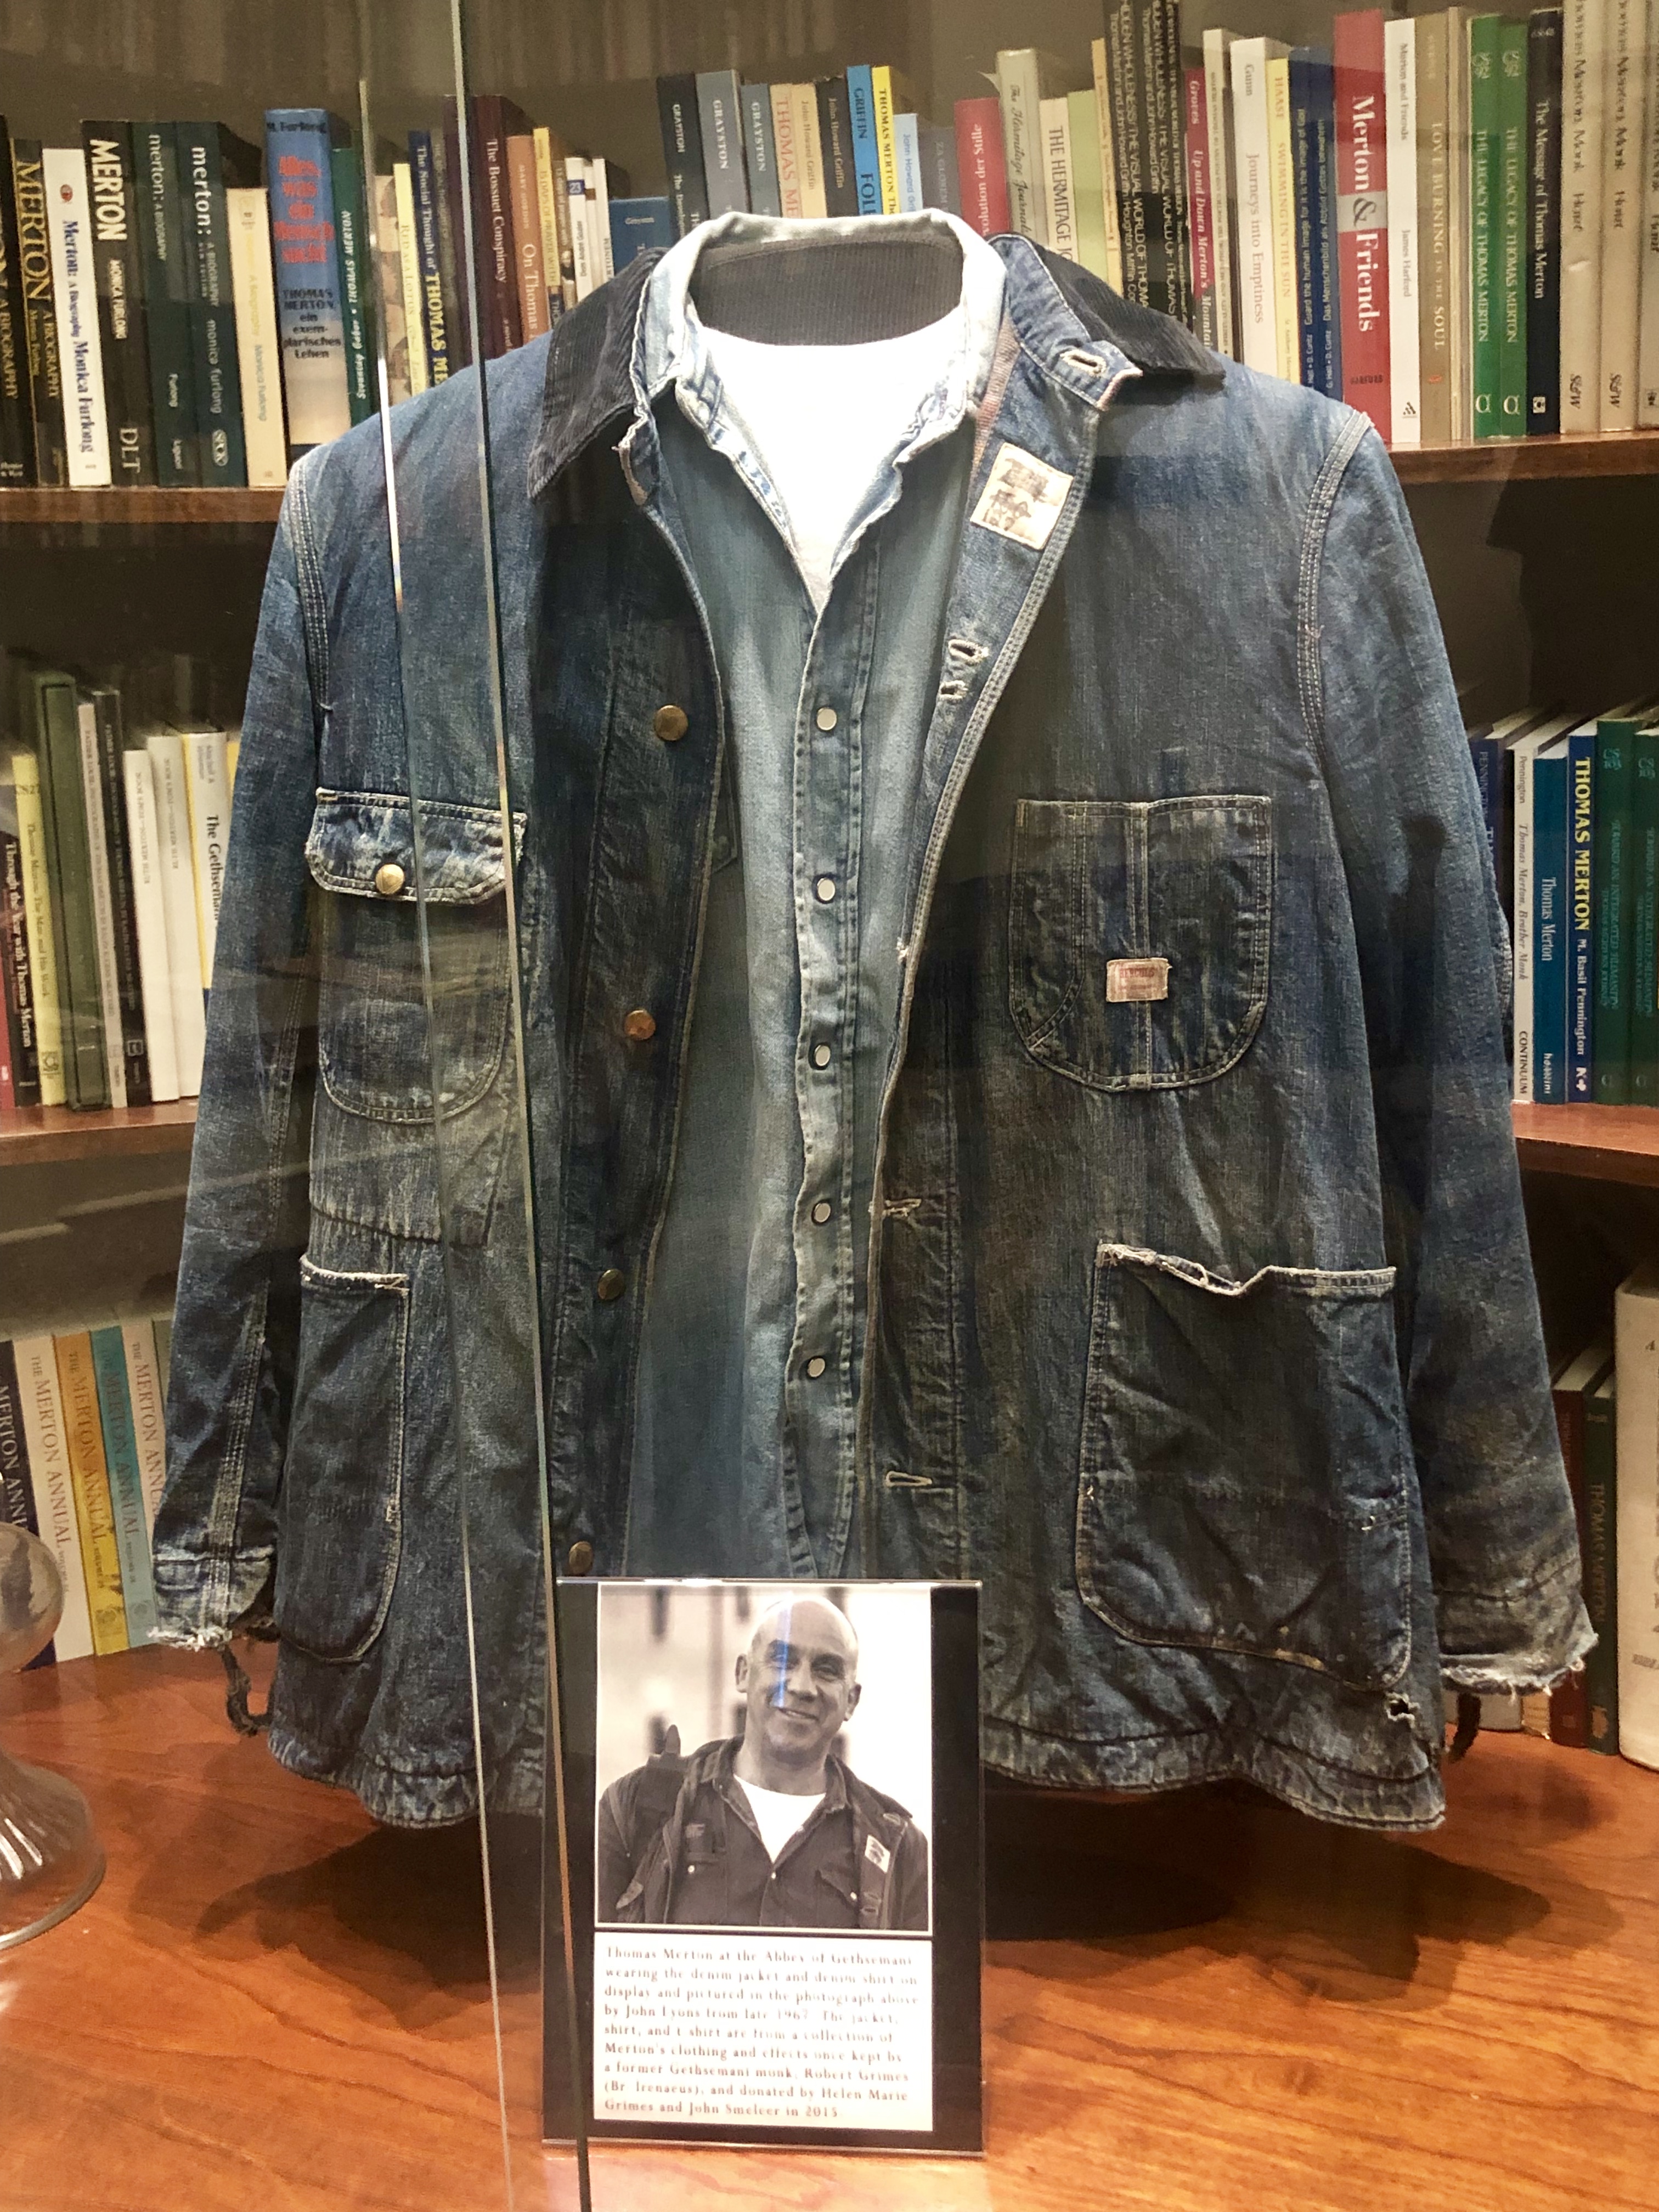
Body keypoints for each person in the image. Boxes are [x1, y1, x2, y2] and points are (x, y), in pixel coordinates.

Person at [596, 1593, 929, 1931]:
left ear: (851, 1701)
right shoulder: (637, 1806)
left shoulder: (898, 1846)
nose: (802, 1687)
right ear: (743, 1673)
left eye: (827, 1670)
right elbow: (589, 1953)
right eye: (783, 1660)